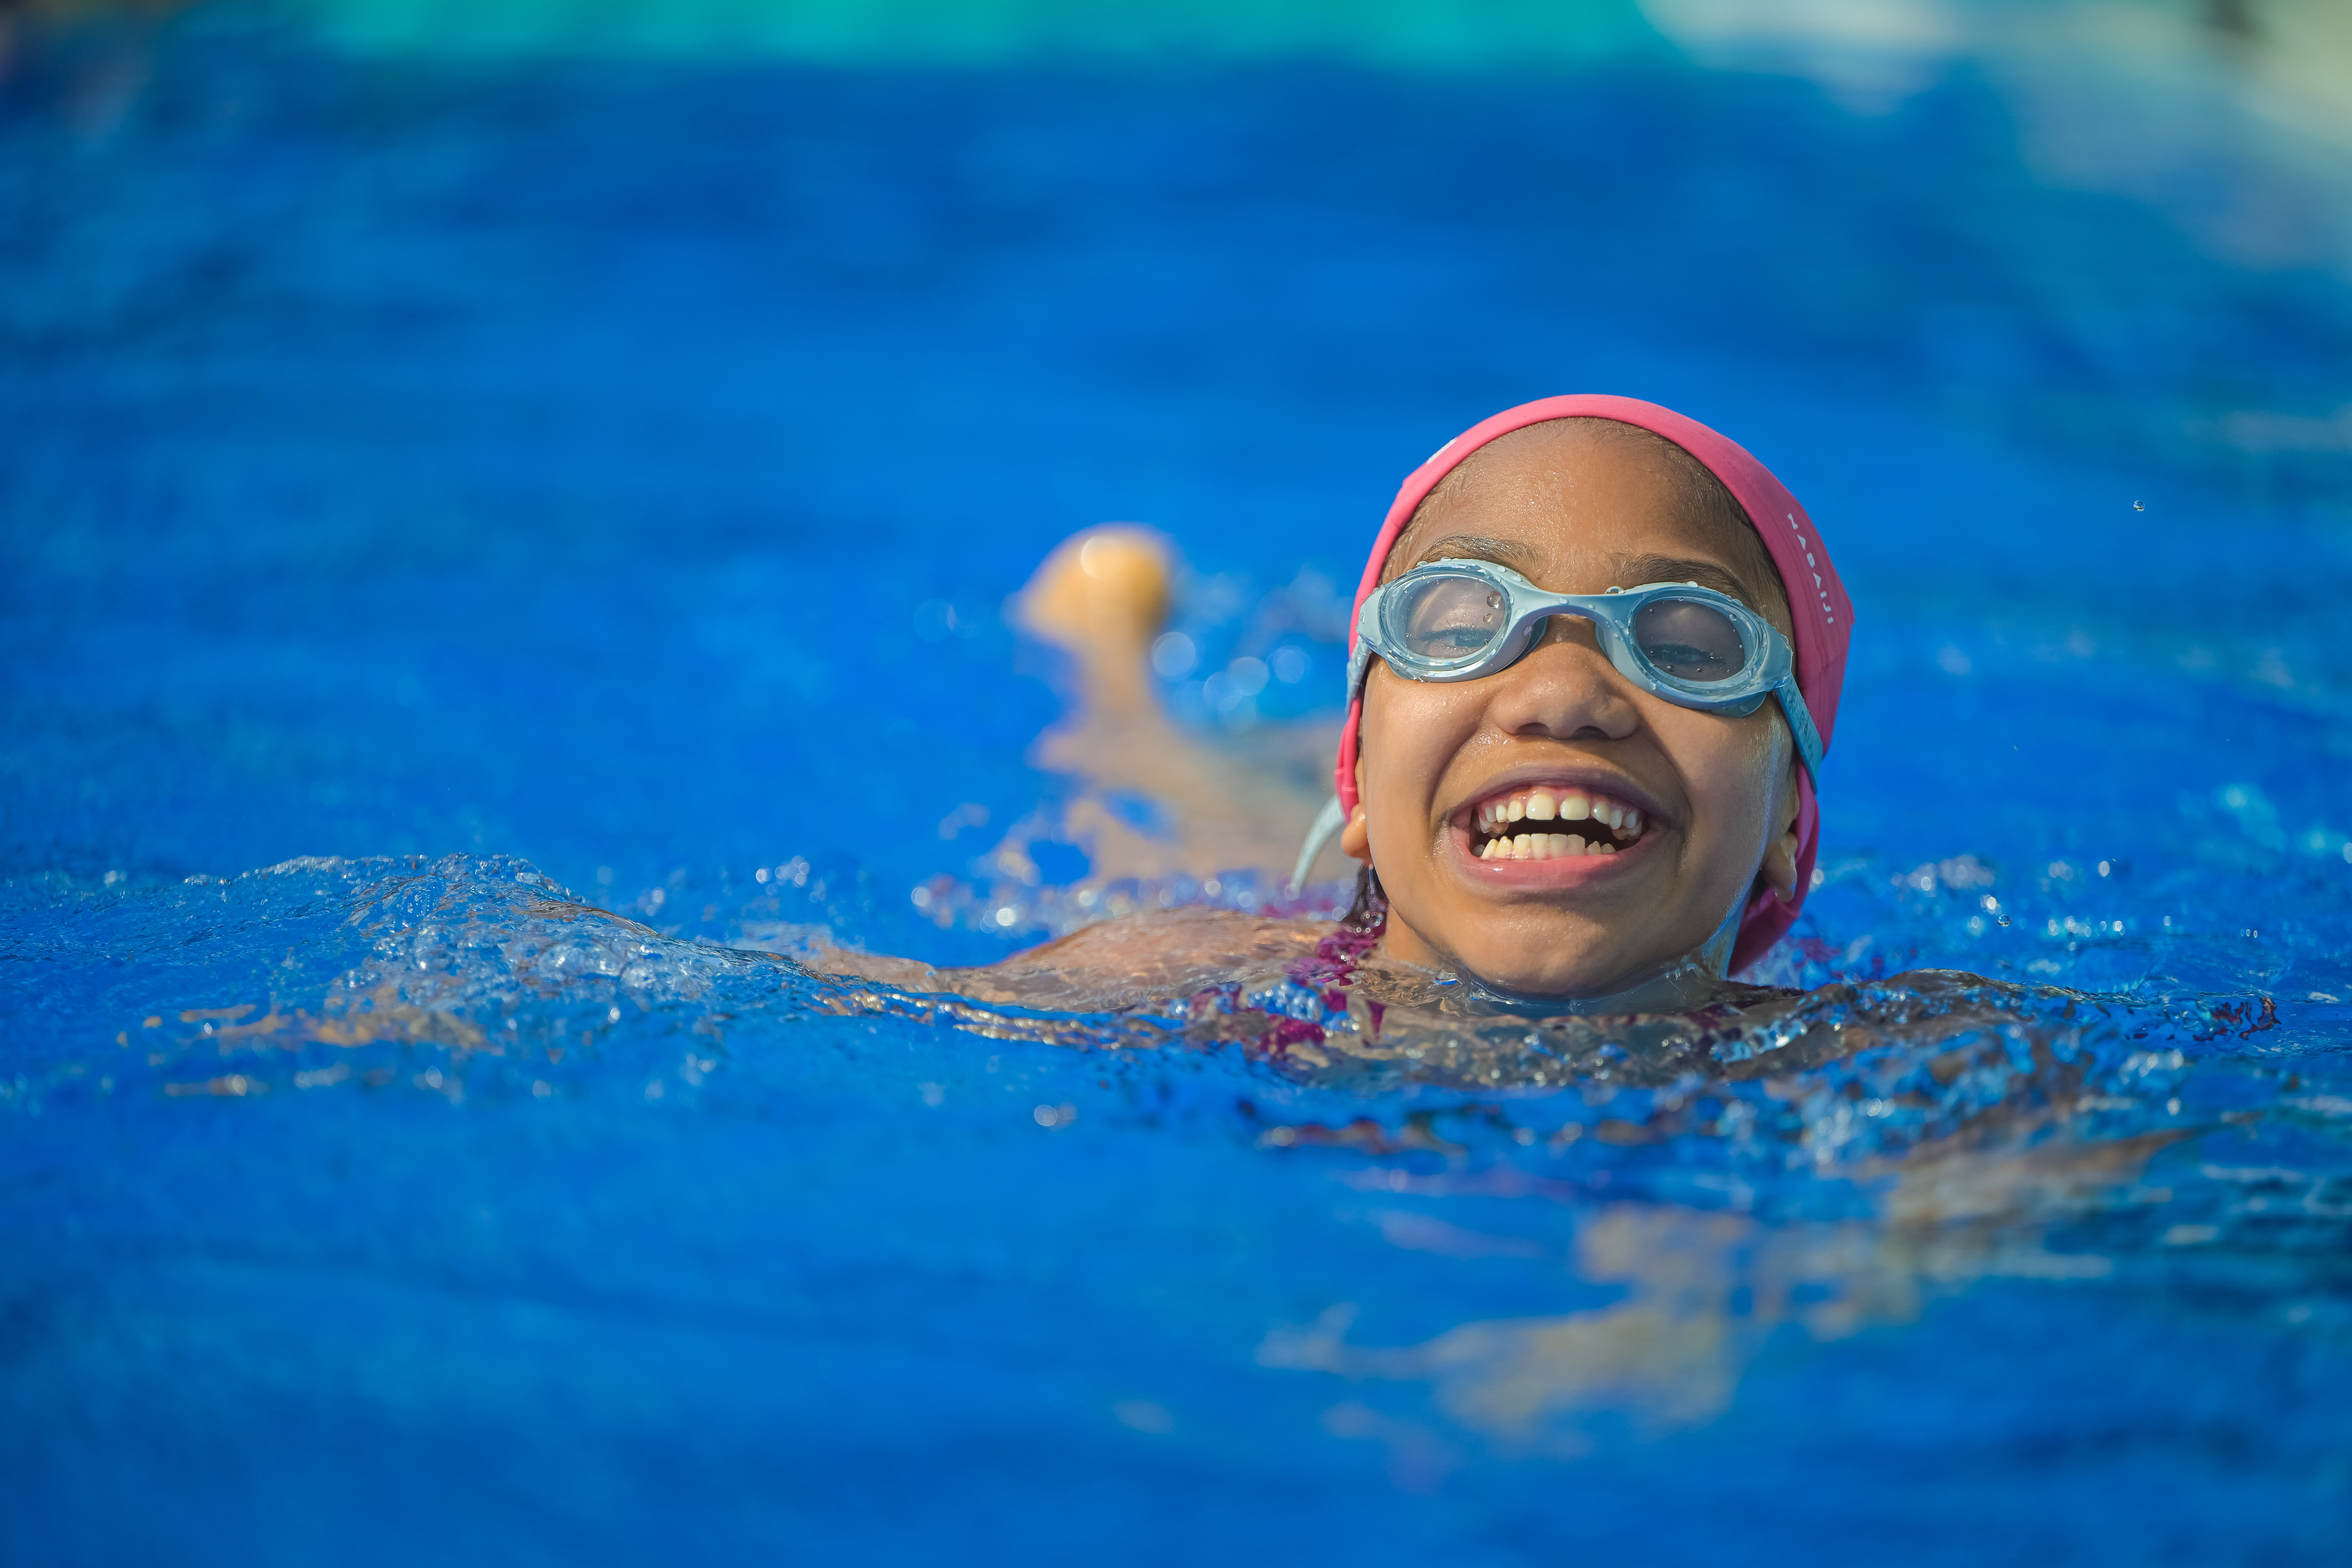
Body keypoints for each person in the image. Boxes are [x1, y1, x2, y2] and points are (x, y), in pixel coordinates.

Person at [820, 394, 1866, 1037]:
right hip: (1280, 898)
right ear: (1359, 779)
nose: (1564, 697)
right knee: (1147, 778)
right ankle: (1106, 653)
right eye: (1458, 622)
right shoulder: (1191, 975)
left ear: (1788, 818)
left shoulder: (1879, 1053)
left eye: (1687, 646)